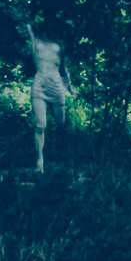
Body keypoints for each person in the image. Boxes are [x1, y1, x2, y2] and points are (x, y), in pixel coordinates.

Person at [27, 23, 75, 173]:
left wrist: (71, 89)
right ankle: (39, 161)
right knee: (40, 124)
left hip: (56, 87)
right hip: (39, 86)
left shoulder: (59, 47)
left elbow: (63, 70)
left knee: (61, 125)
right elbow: (29, 23)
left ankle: (62, 156)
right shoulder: (36, 43)